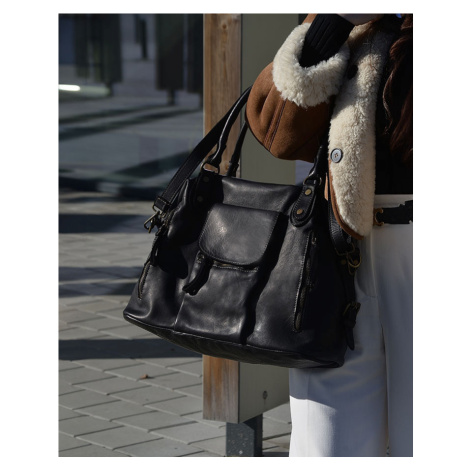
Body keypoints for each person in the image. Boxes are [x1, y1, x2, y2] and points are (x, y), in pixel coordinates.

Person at [245, 13, 413, 457]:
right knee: (328, 442)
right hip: (337, 249)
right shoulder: (356, 21)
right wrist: (334, 22)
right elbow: (275, 132)